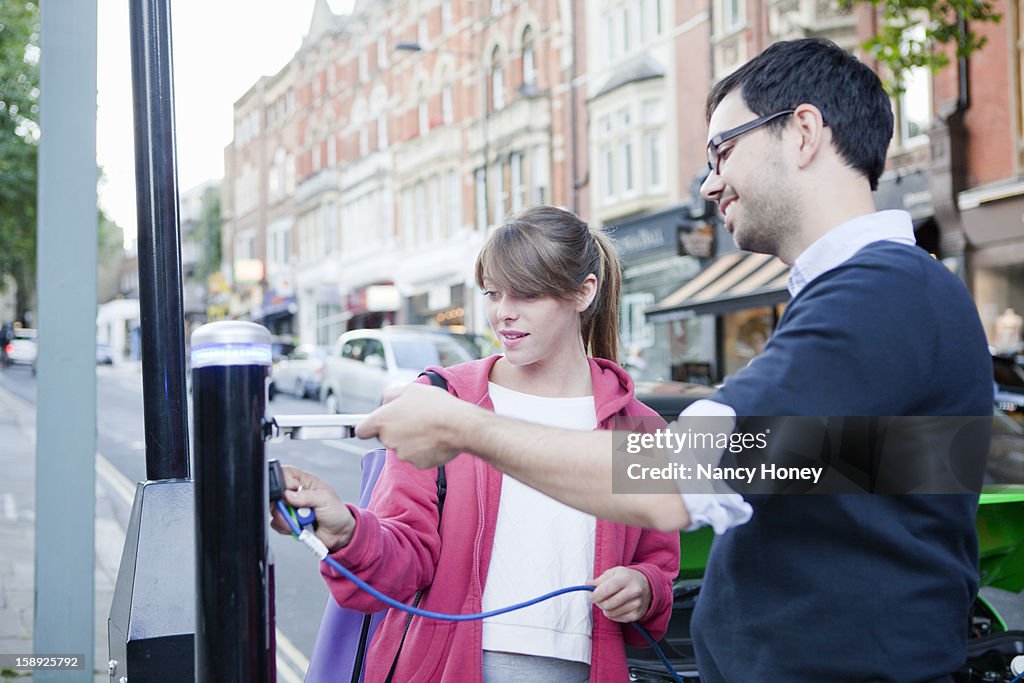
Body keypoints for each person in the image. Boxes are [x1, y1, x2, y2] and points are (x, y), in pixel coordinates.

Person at [357, 38, 994, 682]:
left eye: (723, 150)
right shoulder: (890, 300)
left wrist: (461, 427)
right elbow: (843, 479)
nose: (711, 181)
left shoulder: (876, 294)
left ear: (803, 132)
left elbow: (670, 482)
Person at [274, 206, 680, 682]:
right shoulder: (440, 401)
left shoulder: (640, 429)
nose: (503, 312)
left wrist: (644, 587)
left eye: (526, 293)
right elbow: (402, 561)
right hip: (446, 668)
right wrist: (343, 530)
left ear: (584, 292)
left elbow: (659, 566)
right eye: (492, 293)